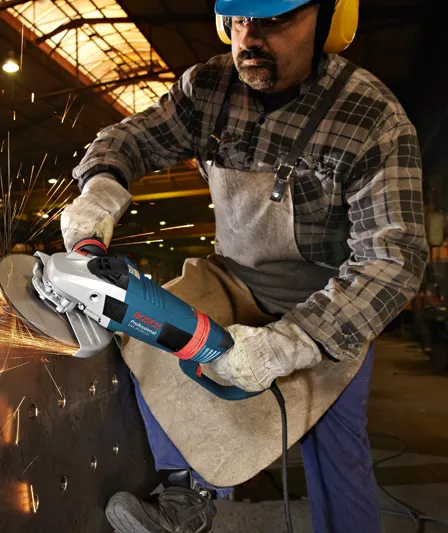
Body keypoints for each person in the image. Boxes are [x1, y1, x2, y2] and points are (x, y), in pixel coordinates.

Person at [62, 0, 427, 532]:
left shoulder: (370, 117)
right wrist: (102, 185)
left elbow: (394, 258)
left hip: (325, 305)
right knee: (147, 339)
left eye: (276, 21)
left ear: (328, 22)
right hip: (232, 279)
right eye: (238, 21)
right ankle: (182, 496)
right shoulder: (209, 88)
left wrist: (289, 344)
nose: (249, 38)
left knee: (337, 453)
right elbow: (131, 138)